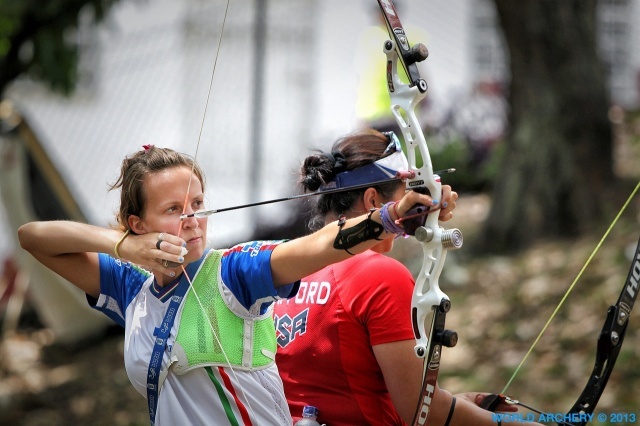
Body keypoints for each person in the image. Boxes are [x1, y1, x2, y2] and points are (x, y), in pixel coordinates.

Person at [17, 145, 451, 426]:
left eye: (198, 204)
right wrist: (122, 247)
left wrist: (389, 219)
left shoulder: (232, 274)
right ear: (138, 224)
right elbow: (34, 237)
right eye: (172, 208)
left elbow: (318, 245)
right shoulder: (131, 287)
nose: (191, 219)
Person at [274, 129, 536, 425]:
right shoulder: (379, 276)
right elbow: (423, 415)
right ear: (374, 200)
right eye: (405, 196)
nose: (413, 207)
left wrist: (457, 402)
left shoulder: (288, 271)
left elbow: (343, 392)